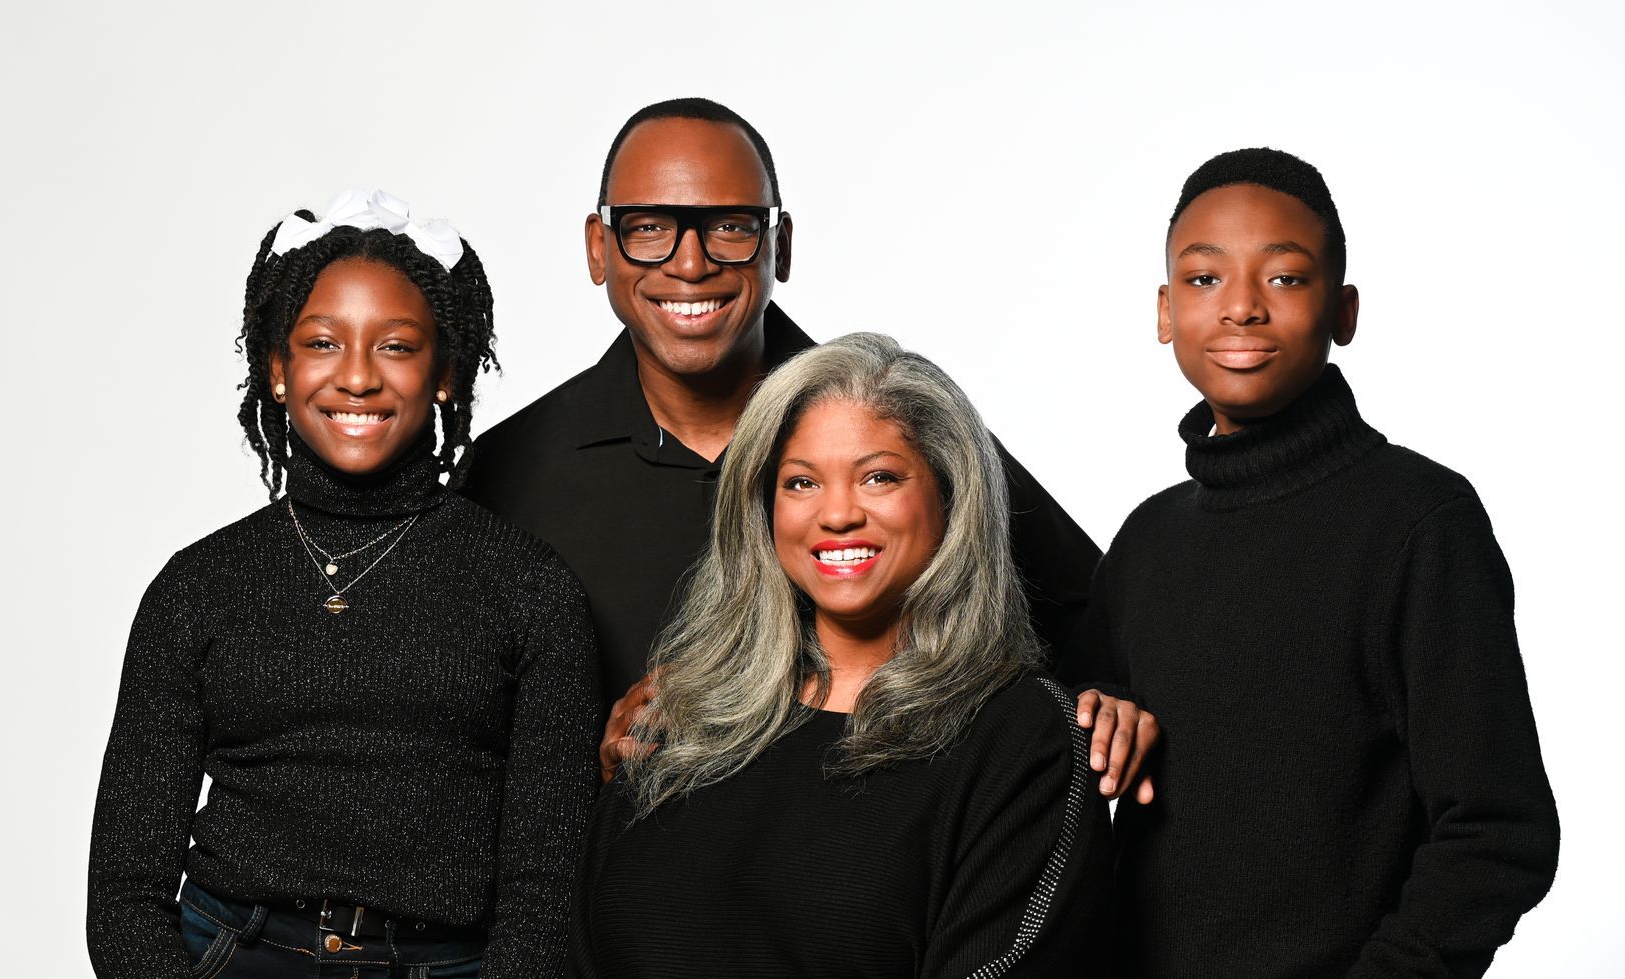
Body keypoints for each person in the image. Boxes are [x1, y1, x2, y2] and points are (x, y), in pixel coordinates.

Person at [462, 333, 1128, 979]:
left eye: (880, 477)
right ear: (762, 507)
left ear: (948, 498)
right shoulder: (682, 719)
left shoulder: (1022, 730)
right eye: (802, 482)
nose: (837, 513)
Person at [1059, 149, 1561, 979]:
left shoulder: (1417, 521)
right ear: (1160, 311)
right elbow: (1087, 797)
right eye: (1202, 278)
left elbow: (1499, 826)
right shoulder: (1147, 542)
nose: (1238, 305)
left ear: (1342, 310)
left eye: (1282, 278)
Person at [86, 189, 601, 979]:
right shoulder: (198, 588)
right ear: (275, 367)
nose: (357, 375)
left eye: (397, 346)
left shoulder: (528, 591)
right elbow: (125, 892)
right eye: (321, 342)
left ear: (448, 371)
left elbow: (545, 898)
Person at [461, 101, 1150, 801]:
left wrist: (1107, 698)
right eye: (649, 228)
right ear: (598, 248)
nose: (691, 263)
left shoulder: (891, 420)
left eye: (731, 227)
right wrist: (595, 760)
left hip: (881, 875)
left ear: (780, 243)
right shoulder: (508, 471)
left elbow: (1097, 620)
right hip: (620, 885)